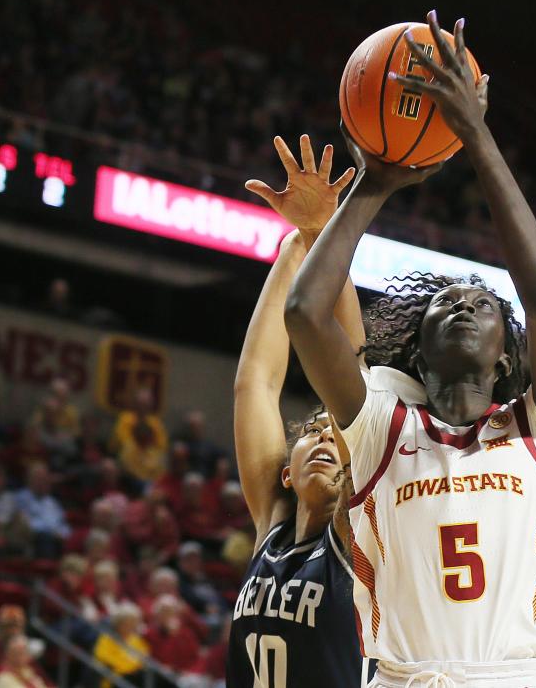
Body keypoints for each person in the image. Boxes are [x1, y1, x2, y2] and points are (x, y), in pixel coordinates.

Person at [284, 11, 536, 687]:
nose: (464, 302)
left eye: (481, 303)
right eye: (446, 303)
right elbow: (304, 313)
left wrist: (475, 135)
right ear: (418, 354)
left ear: (508, 357)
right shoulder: (381, 427)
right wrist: (374, 184)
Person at [226, 134, 370, 688]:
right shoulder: (272, 527)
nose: (328, 439)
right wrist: (294, 248)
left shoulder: (356, 531)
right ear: (286, 469)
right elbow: (255, 385)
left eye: (333, 434)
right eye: (312, 433)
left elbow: (351, 380)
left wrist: (321, 237)